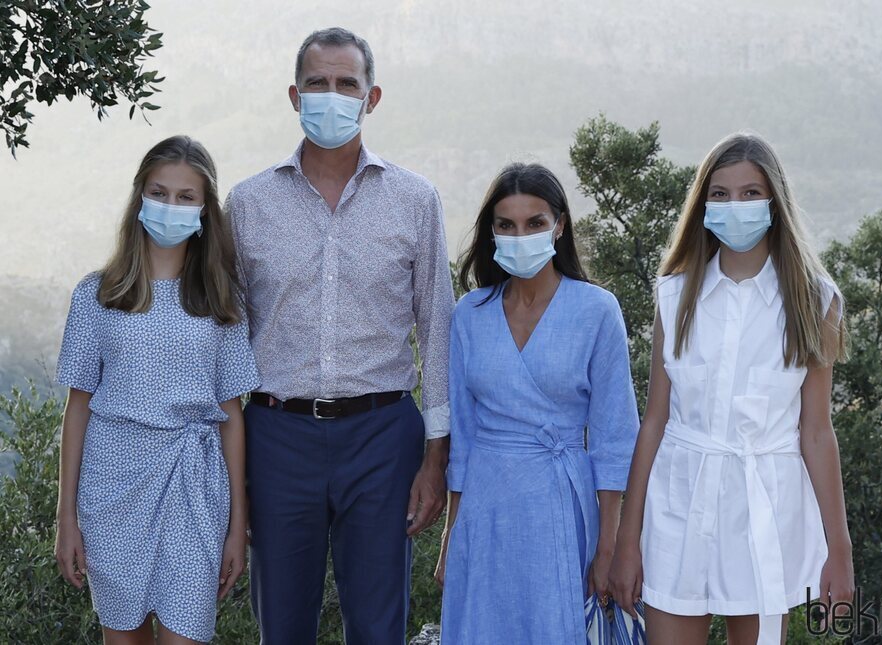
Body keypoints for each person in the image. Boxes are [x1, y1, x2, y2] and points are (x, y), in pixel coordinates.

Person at [224, 28, 455, 644]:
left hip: (382, 437)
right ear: (293, 95)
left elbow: (438, 329)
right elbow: (225, 338)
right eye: (318, 83)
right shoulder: (248, 204)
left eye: (346, 84)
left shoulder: (415, 200)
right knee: (283, 625)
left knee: (379, 629)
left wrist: (436, 456)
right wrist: (233, 464)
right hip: (277, 434)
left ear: (371, 96)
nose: (332, 95)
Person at [608, 132, 855, 644]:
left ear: (775, 202)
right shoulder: (674, 296)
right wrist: (625, 540)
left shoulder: (816, 302)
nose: (734, 205)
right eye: (719, 194)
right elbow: (655, 420)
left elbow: (816, 432)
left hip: (765, 514)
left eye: (750, 193)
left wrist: (840, 552)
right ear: (702, 204)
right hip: (678, 510)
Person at [54, 135, 259, 644]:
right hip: (112, 487)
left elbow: (232, 414)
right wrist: (66, 518)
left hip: (195, 488)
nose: (171, 206)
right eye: (159, 192)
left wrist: (239, 524)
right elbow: (76, 409)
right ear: (139, 197)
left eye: (186, 197)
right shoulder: (97, 295)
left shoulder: (221, 301)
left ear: (206, 209)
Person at [436, 163, 640, 643]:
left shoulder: (597, 310)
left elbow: (614, 439)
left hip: (561, 503)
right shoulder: (470, 314)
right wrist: (451, 533)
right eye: (506, 224)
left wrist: (608, 545)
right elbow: (461, 440)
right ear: (491, 231)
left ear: (560, 225)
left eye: (535, 223)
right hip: (485, 507)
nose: (519, 235)